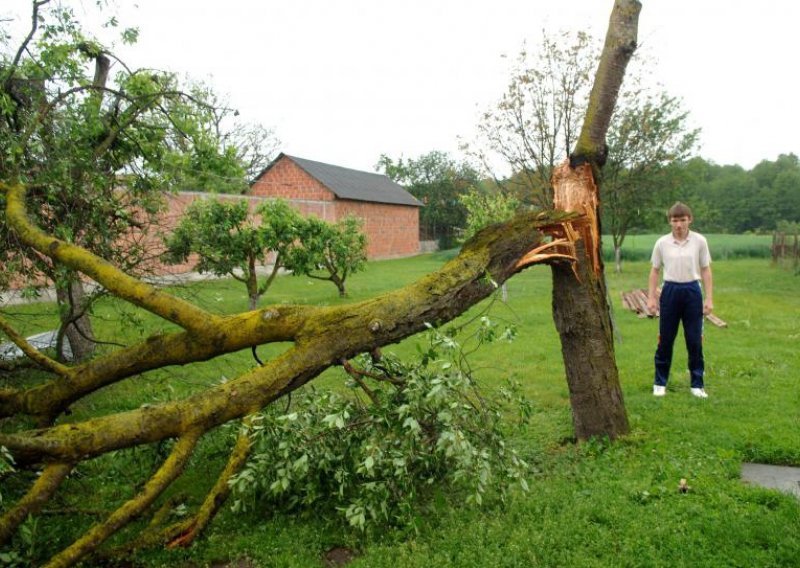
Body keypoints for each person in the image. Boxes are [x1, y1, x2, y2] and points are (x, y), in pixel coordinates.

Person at [647, 202, 713, 398]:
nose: (679, 225)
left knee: (694, 340)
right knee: (665, 339)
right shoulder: (662, 243)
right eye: (675, 220)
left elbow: (706, 269)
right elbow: (655, 270)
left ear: (689, 220)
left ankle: (697, 385)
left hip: (692, 290)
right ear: (670, 221)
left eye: (682, 220)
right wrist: (651, 298)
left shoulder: (700, 241)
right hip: (670, 291)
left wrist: (709, 298)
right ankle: (660, 383)